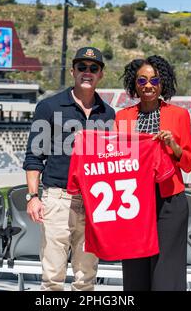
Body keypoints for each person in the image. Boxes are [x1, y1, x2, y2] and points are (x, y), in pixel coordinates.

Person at [23, 47, 115, 291]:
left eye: (93, 68)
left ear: (100, 74)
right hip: (58, 199)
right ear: (73, 70)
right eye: (82, 67)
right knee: (53, 277)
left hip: (95, 202)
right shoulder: (49, 107)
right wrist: (33, 196)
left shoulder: (108, 114)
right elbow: (34, 156)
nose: (87, 72)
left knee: (86, 278)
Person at [114, 55, 191, 291]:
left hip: (169, 202)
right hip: (133, 202)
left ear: (163, 83)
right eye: (142, 80)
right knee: (134, 270)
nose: (148, 85)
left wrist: (173, 145)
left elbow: (189, 164)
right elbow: (117, 158)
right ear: (134, 84)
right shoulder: (123, 117)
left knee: (166, 273)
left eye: (154, 80)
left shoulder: (179, 115)